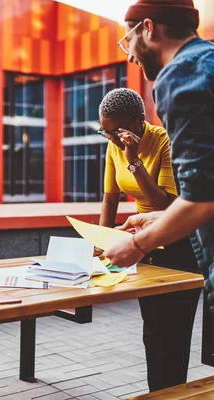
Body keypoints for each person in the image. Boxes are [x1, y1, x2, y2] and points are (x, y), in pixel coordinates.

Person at [104, 1, 214, 304]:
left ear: (148, 28)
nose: (129, 56)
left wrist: (137, 245)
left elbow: (202, 199)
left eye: (129, 40)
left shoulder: (181, 75)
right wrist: (158, 219)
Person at [97, 87, 201, 391]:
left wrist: (135, 161)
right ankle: (159, 392)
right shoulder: (114, 144)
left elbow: (166, 206)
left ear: (139, 121)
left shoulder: (166, 142)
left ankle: (172, 391)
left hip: (178, 244)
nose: (113, 139)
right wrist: (102, 239)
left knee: (174, 333)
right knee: (153, 330)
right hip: (144, 244)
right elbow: (110, 199)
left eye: (116, 131)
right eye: (105, 133)